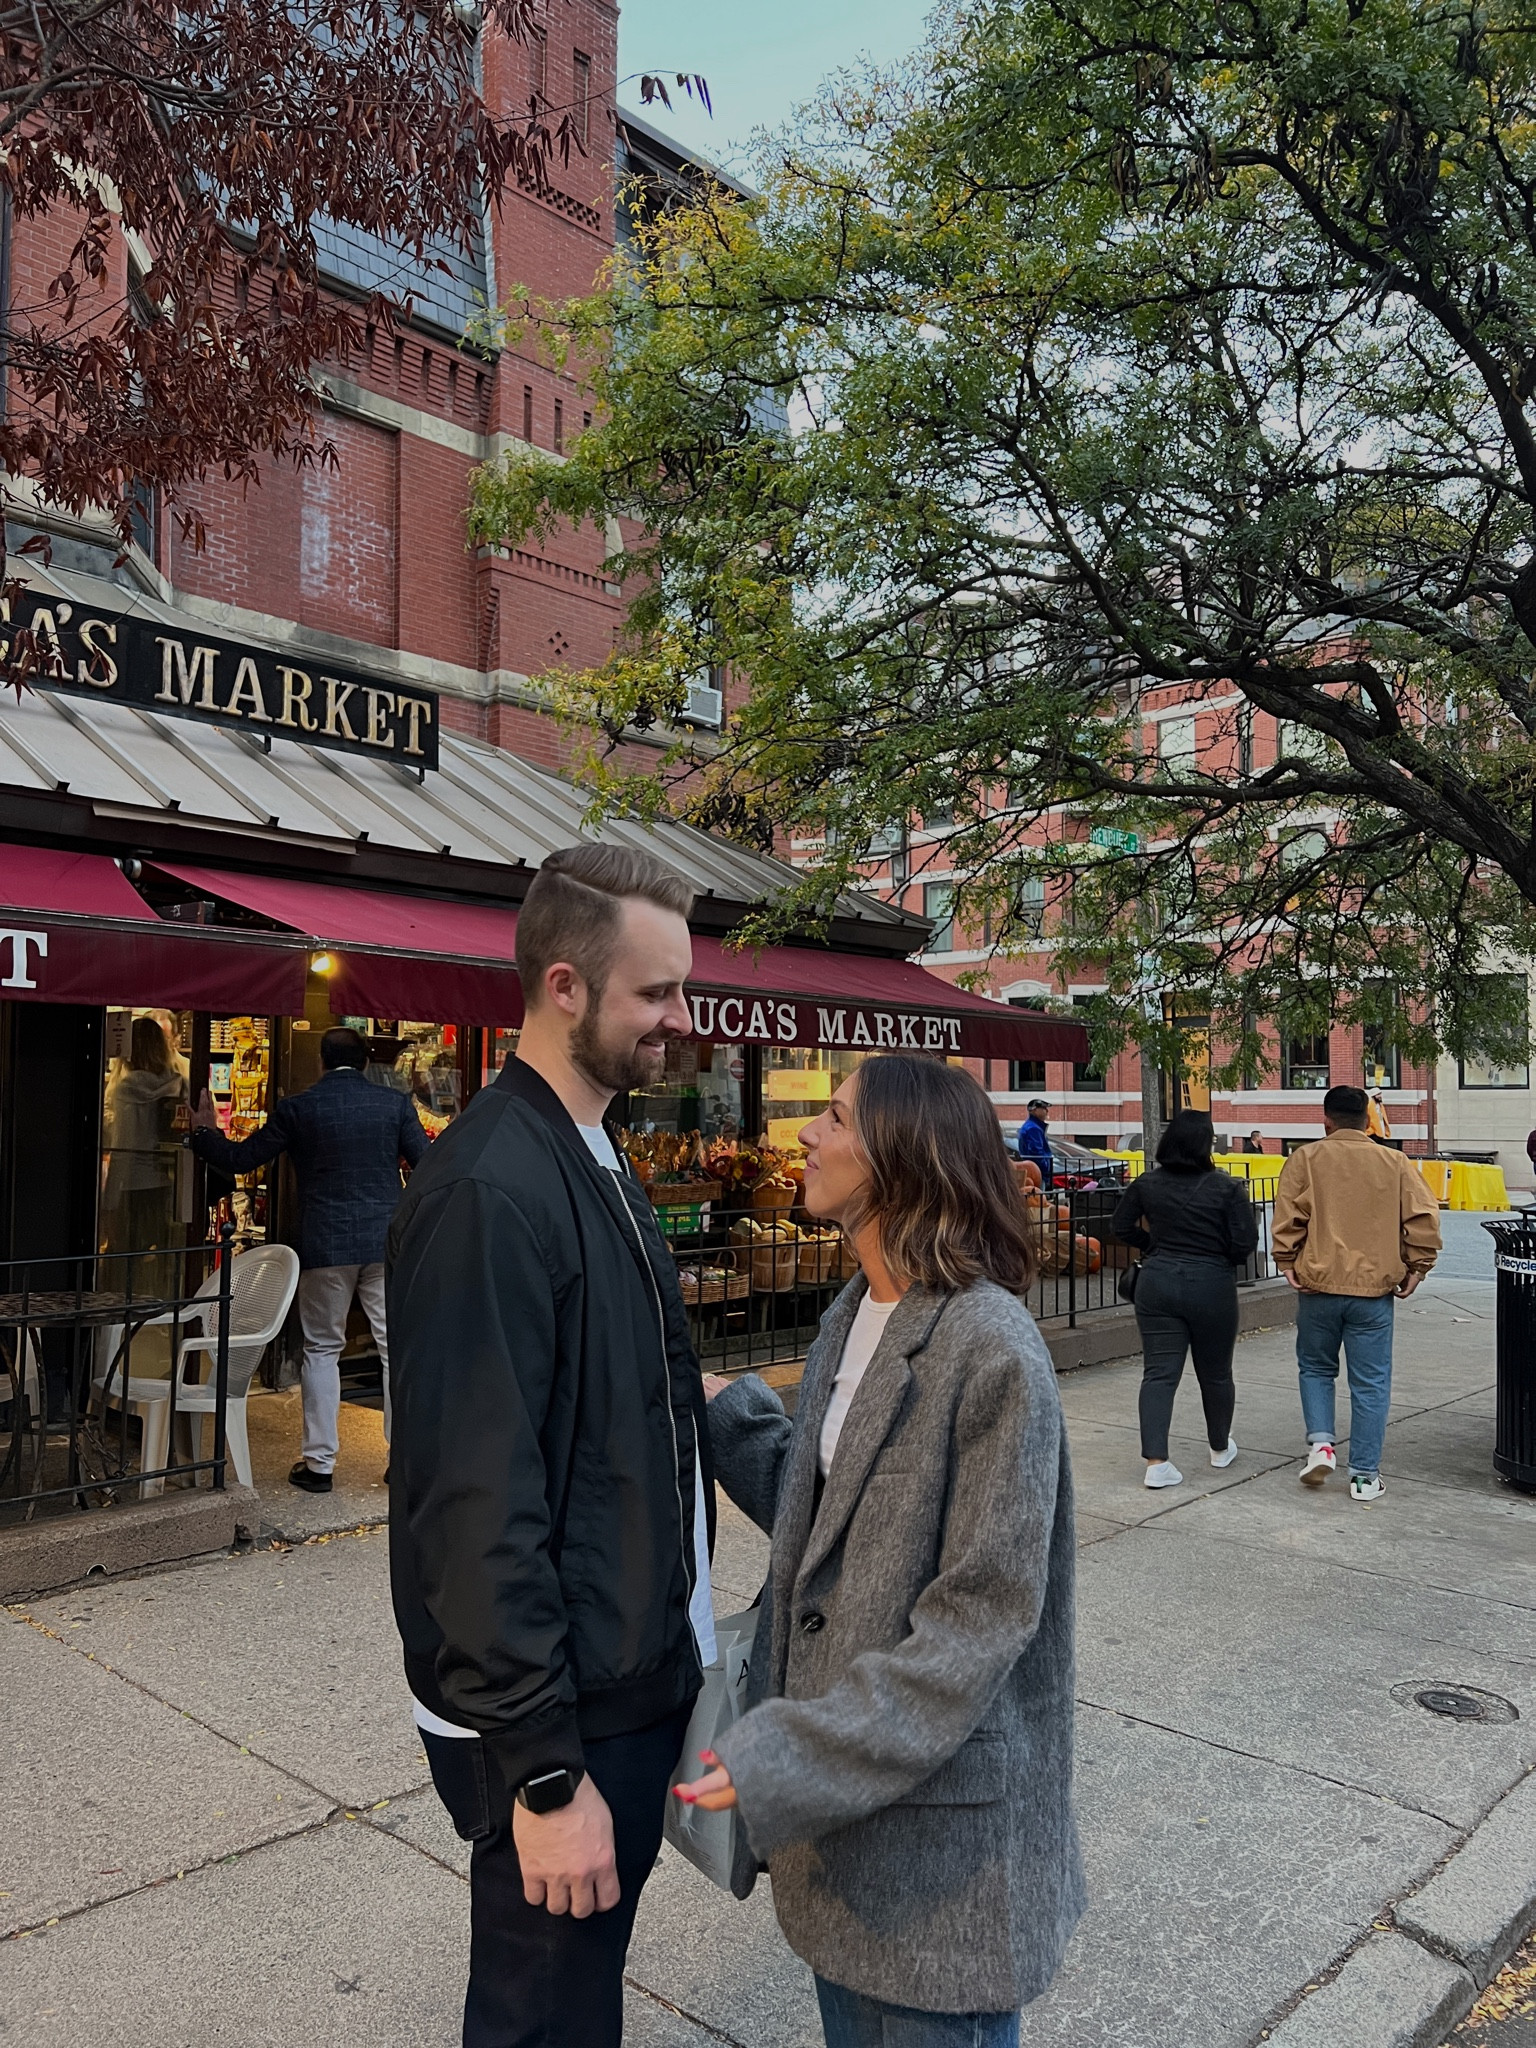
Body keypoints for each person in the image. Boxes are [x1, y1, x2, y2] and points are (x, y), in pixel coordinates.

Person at [685, 1054, 1084, 2047]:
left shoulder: (993, 1348)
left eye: (832, 1116)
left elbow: (976, 1624)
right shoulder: (855, 1312)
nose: (805, 1136)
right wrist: (724, 1416)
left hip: (940, 1876)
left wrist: (784, 1750)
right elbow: (832, 1521)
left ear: (900, 1157)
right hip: (847, 1859)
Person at [387, 844, 715, 2048]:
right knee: (543, 2019)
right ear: (564, 984)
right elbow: (472, 1498)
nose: (681, 1020)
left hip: (622, 1670)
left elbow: (609, 1392)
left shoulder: (595, 1146)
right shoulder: (488, 1184)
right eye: (656, 994)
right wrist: (542, 1770)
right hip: (556, 1711)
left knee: (576, 1998)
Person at [190, 1025, 427, 1494]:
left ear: (321, 1061)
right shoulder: (393, 1104)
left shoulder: (299, 1108)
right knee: (393, 1347)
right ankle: (402, 1461)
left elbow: (242, 1159)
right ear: (365, 1062)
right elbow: (428, 1162)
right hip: (385, 1241)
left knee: (321, 1348)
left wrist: (203, 1133)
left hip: (325, 1243)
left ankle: (320, 1465)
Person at [1273, 1084, 1441, 1502]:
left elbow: (1289, 1217)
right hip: (1373, 1290)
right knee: (1371, 1382)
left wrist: (1287, 1261)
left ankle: (1322, 1445)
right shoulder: (1395, 1162)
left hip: (1318, 1284)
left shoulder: (1305, 1159)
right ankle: (1365, 1475)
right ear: (1368, 1119)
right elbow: (1423, 1218)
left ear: (1325, 1119)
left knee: (1315, 1367)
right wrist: (1417, 1266)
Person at [1111, 1109, 1259, 1489]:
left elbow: (1120, 1226)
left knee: (1158, 1373)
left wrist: (1153, 1245)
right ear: (1205, 1144)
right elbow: (1245, 1244)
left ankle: (1156, 1462)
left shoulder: (1146, 1184)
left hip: (1157, 1283)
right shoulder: (1227, 1188)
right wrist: (1219, 1257)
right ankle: (1219, 1447)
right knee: (1216, 1373)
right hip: (1212, 1285)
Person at [103, 1014, 188, 1258]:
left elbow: (122, 1148)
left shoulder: (125, 1090)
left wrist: (109, 1202)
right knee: (162, 1258)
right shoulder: (179, 1084)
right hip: (166, 1183)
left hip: (132, 1186)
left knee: (126, 1259)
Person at [1017, 1096, 1055, 1187]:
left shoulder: (1031, 1126)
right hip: (1037, 1172)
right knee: (1038, 1198)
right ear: (1034, 1110)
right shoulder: (1033, 1128)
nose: (1046, 1111)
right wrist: (1046, 1167)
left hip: (1035, 1170)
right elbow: (1036, 1152)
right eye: (1043, 1108)